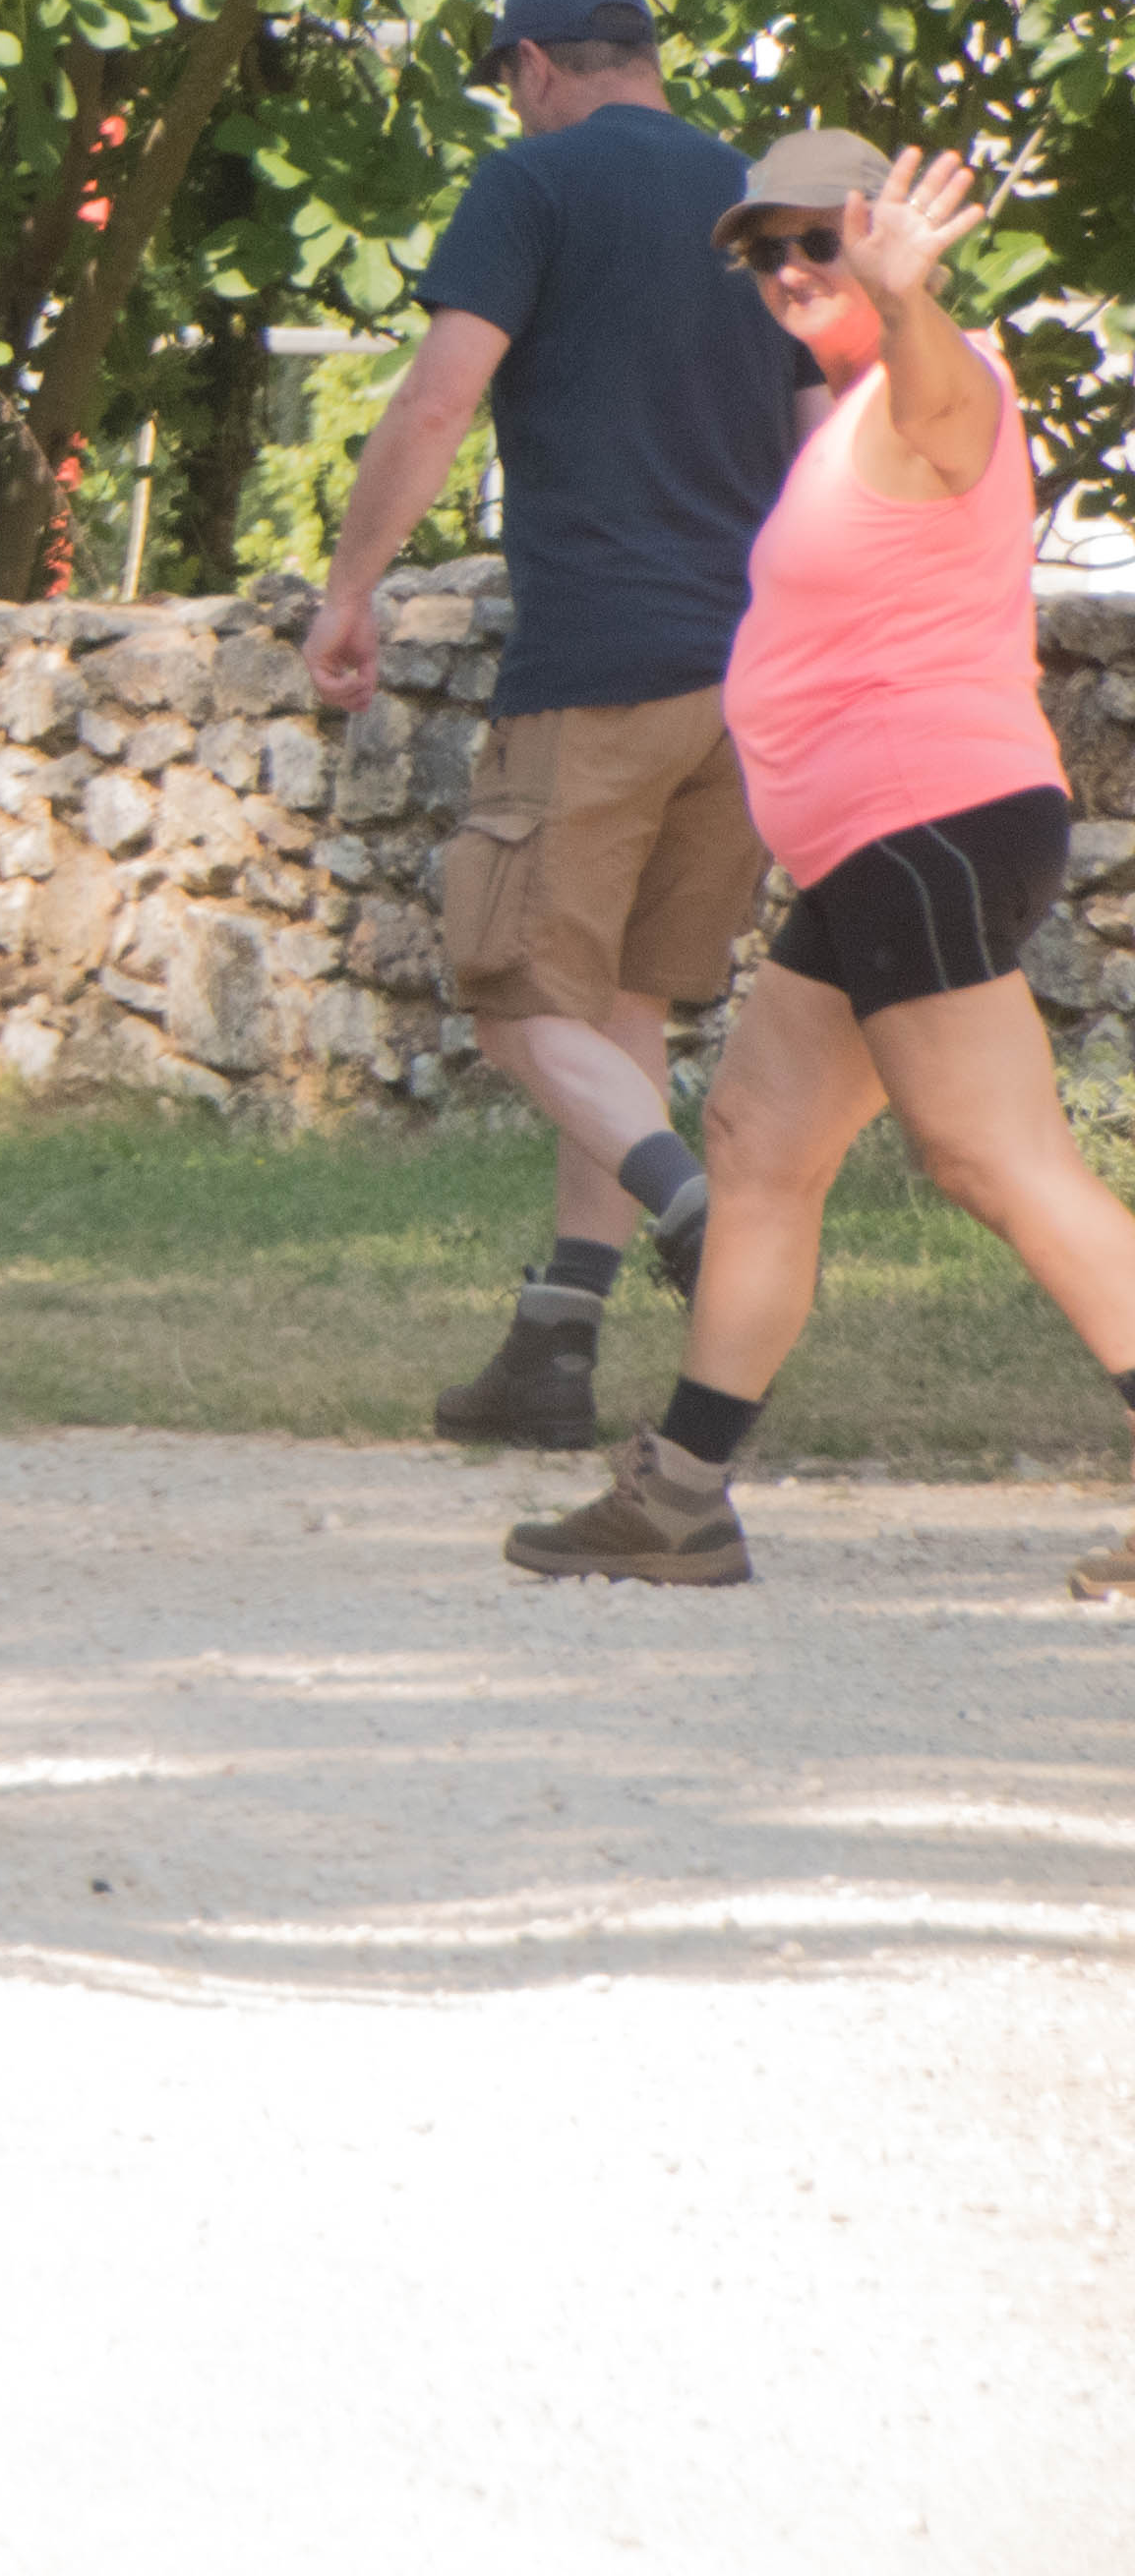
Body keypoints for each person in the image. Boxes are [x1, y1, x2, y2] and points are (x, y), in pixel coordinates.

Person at [505, 135, 1135, 1591]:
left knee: (996, 1159)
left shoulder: (937, 387)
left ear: (883, 240)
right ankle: (678, 1497)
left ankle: (681, 1493)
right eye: (763, 249)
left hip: (929, 825)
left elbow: (943, 389)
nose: (791, 271)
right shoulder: (850, 419)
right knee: (758, 1142)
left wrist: (908, 300)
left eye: (819, 240)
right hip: (878, 847)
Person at [303, 0, 819, 1450]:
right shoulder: (760, 203)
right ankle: (554, 1351)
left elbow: (440, 395)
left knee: (512, 992)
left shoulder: (529, 188)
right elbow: (815, 447)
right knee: (625, 1005)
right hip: (745, 674)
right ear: (646, 55)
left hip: (598, 662)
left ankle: (692, 1213)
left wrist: (352, 590)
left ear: (533, 65)